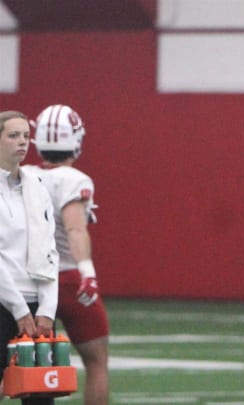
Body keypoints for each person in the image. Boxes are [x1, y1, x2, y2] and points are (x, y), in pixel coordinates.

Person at [24, 105, 110, 405]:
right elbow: (75, 229)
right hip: (69, 278)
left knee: (30, 361)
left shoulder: (22, 174)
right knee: (97, 362)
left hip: (28, 281)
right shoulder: (74, 180)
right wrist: (88, 274)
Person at [0, 110, 59, 405]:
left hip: (37, 310)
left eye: (25, 135)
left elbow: (49, 250)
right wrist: (19, 308)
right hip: (4, 304)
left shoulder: (37, 186)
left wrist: (47, 309)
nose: (22, 142)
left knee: (40, 397)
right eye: (13, 136)